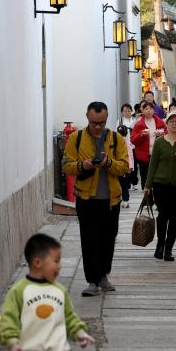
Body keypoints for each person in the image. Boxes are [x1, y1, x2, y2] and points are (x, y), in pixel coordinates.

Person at [62, 102, 130, 297]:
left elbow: (124, 167)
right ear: (87, 117)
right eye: (94, 123)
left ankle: (103, 276)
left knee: (108, 239)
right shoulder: (76, 138)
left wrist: (108, 163)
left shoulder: (116, 139)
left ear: (107, 119)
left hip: (111, 199)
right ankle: (92, 281)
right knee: (89, 239)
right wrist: (82, 166)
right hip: (86, 198)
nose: (98, 127)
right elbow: (66, 165)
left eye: (102, 123)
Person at [143, 111, 176, 261]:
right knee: (163, 215)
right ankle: (160, 245)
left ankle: (168, 249)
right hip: (160, 185)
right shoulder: (159, 142)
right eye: (171, 121)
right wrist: (147, 186)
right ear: (166, 124)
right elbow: (153, 165)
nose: (174, 123)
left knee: (175, 218)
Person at [130, 99, 166, 194]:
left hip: (158, 154)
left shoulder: (160, 122)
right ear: (142, 110)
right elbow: (133, 140)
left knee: (158, 176)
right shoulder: (138, 124)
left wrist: (161, 135)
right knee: (145, 176)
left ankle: (157, 196)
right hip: (143, 155)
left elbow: (167, 134)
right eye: (146, 109)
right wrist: (141, 135)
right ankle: (147, 199)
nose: (148, 111)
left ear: (154, 110)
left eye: (150, 109)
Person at [116, 102, 135, 206]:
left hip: (131, 148)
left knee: (125, 179)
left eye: (128, 110)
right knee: (122, 180)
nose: (127, 112)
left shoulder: (134, 121)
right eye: (125, 110)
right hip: (120, 159)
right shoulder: (119, 122)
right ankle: (124, 198)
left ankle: (125, 198)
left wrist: (131, 165)